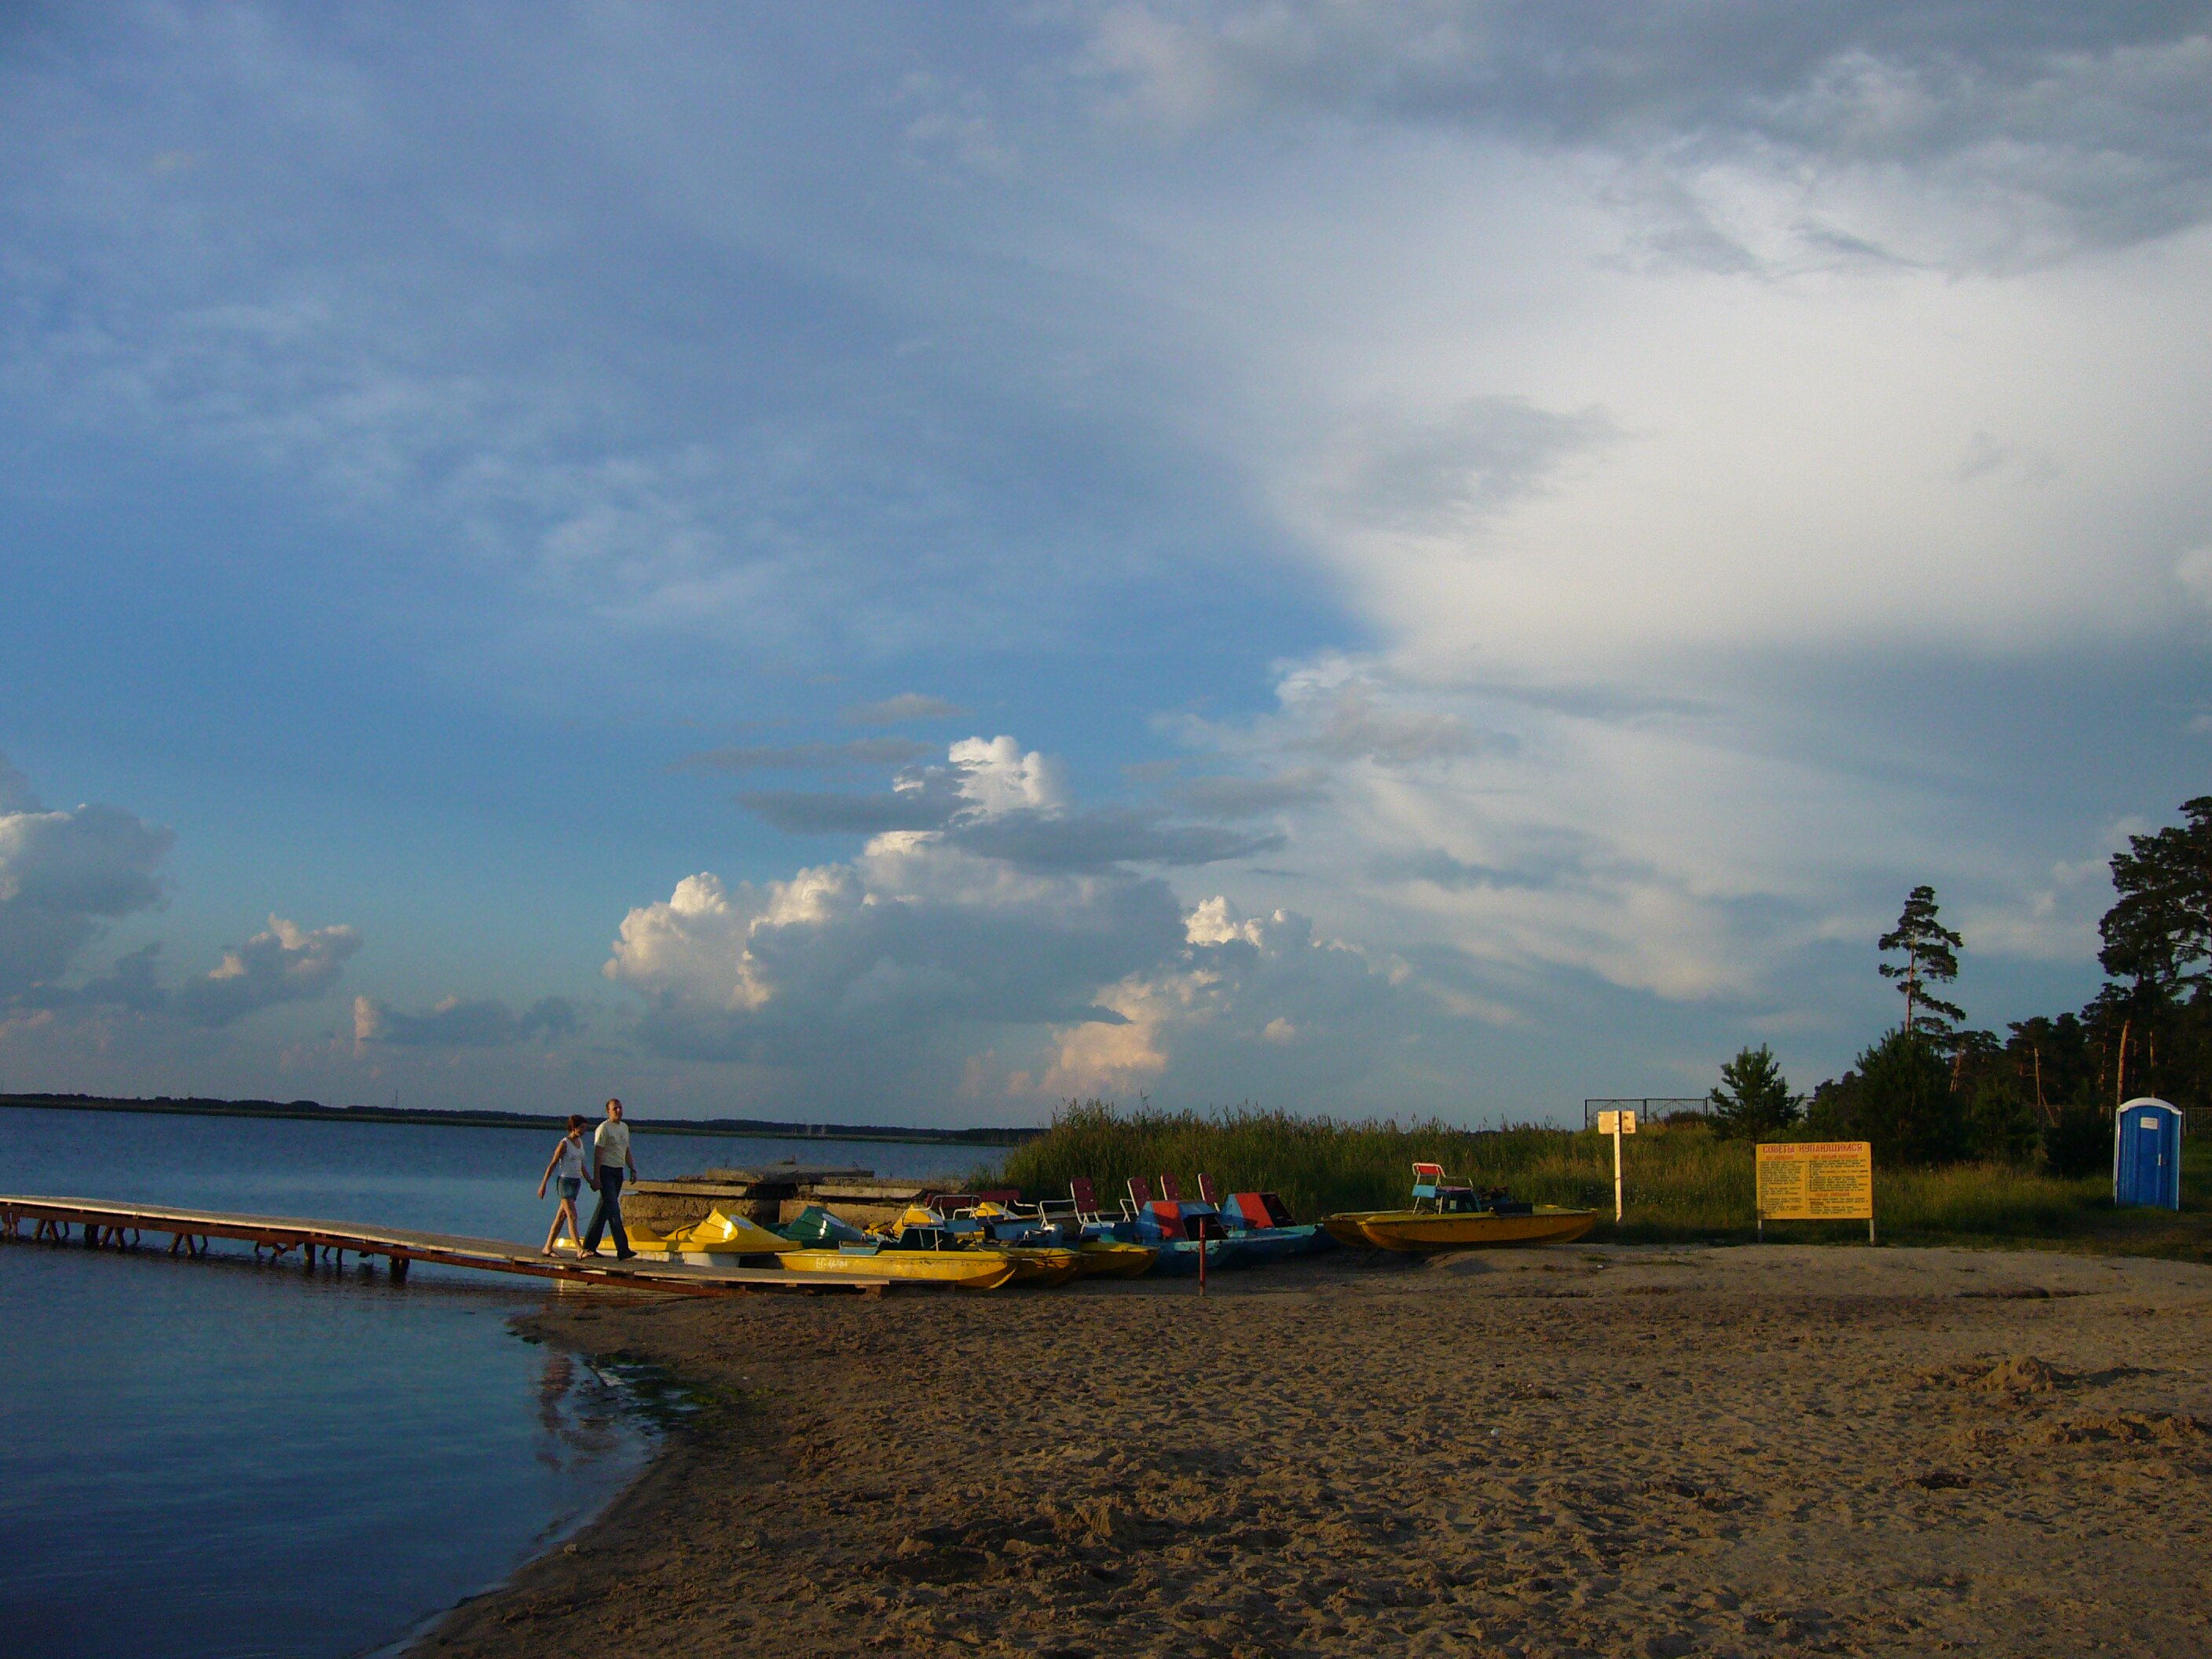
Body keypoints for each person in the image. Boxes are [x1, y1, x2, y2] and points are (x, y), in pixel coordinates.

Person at [579, 1097, 639, 1261]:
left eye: (620, 1108)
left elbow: (626, 1150)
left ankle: (589, 1246)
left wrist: (632, 1169)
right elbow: (597, 1155)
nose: (618, 1111)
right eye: (615, 1109)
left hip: (618, 1171)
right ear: (608, 1111)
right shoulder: (603, 1129)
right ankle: (623, 1249)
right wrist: (596, 1177)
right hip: (606, 1171)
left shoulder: (625, 1128)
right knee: (613, 1210)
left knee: (603, 1210)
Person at [536, 1115, 589, 1256]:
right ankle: (579, 1249)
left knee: (561, 1217)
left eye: (585, 1128)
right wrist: (543, 1185)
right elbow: (552, 1164)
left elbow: (581, 1165)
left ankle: (547, 1247)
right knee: (572, 1215)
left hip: (576, 1183)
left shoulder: (580, 1143)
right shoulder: (564, 1144)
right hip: (565, 1183)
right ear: (574, 1128)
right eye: (582, 1128)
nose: (584, 1131)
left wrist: (592, 1181)